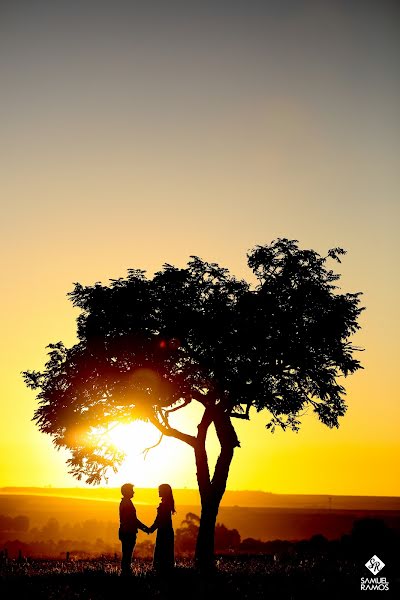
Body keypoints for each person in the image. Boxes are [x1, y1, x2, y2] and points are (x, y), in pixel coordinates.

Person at [118, 482, 148, 575]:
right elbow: (133, 519)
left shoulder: (125, 502)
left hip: (125, 531)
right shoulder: (127, 503)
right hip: (128, 531)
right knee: (127, 553)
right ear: (127, 492)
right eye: (132, 490)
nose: (133, 492)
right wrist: (145, 528)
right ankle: (126, 573)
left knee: (126, 553)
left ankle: (125, 572)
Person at [148, 483, 176, 573]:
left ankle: (161, 571)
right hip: (166, 531)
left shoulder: (164, 505)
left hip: (164, 532)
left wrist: (150, 529)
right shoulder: (167, 504)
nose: (158, 492)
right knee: (166, 552)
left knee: (162, 552)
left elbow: (159, 520)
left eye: (160, 490)